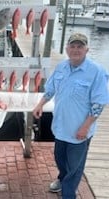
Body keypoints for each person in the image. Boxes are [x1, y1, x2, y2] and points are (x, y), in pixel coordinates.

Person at [33, 33, 109, 199]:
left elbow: (98, 104)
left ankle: (68, 194)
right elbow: (51, 89)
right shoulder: (61, 67)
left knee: (75, 169)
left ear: (87, 49)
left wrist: (85, 127)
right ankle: (61, 178)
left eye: (80, 46)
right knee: (60, 159)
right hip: (60, 127)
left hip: (80, 132)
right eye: (72, 46)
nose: (76, 50)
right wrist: (40, 104)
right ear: (66, 49)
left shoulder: (96, 72)